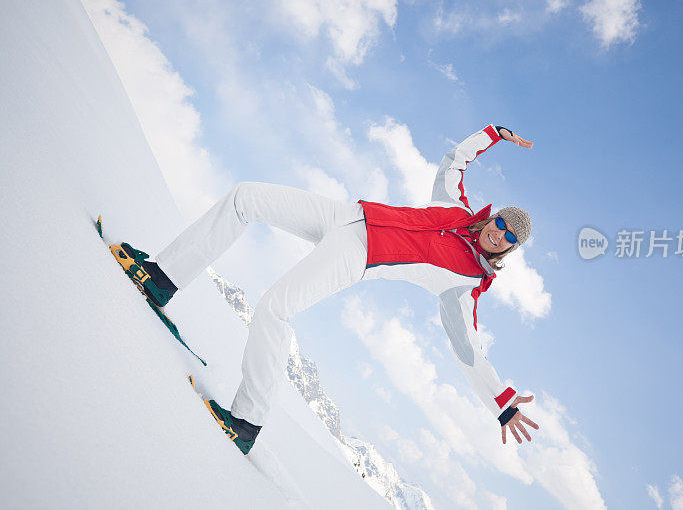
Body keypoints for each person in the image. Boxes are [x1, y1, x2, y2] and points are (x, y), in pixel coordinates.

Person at [119, 124, 540, 454]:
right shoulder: (455, 206)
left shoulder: (465, 284)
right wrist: (495, 133)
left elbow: (468, 351)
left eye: (510, 238)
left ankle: (245, 423)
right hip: (346, 215)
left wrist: (501, 402)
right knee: (245, 197)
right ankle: (160, 279)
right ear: (493, 217)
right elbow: (455, 159)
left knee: (273, 309)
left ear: (512, 250)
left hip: (357, 255)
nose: (500, 235)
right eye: (502, 223)